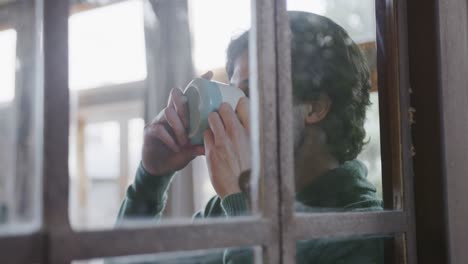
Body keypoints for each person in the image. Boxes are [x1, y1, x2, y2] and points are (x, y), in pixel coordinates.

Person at [117, 11, 384, 264]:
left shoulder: (364, 229)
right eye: (234, 94)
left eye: (253, 91)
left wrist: (241, 205)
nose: (234, 110)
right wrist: (150, 179)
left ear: (314, 107)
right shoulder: (225, 210)